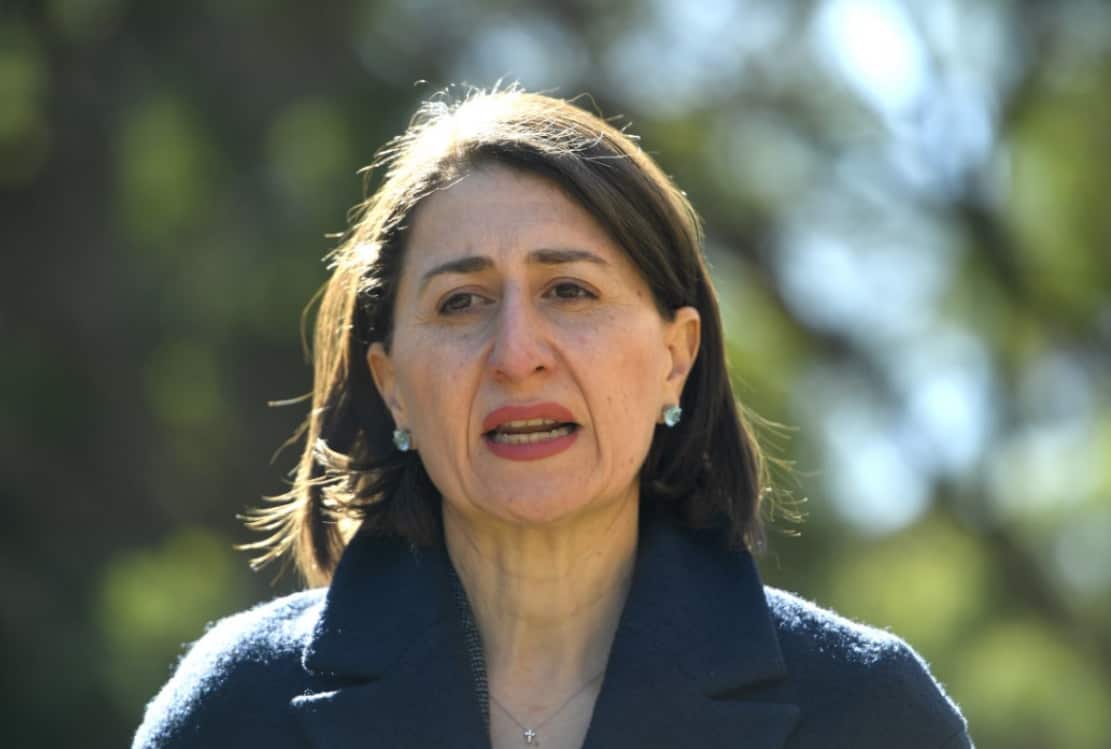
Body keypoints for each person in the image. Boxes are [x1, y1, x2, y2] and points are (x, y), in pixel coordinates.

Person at [132, 86, 973, 749]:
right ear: (391, 385)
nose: (516, 353)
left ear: (675, 356)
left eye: (568, 290)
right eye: (461, 301)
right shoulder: (233, 713)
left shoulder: (864, 711)